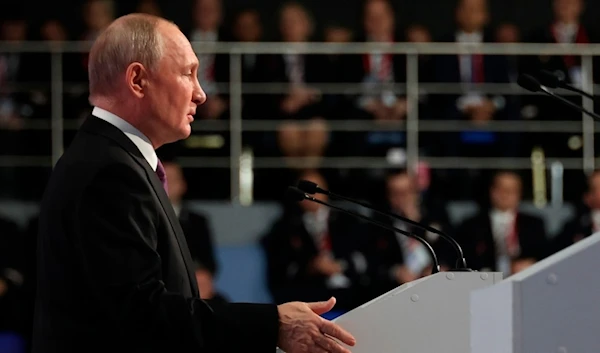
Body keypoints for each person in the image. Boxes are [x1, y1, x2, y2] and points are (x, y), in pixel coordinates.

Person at [32, 13, 355, 353]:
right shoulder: (109, 172)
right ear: (138, 80)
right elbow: (143, 314)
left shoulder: (110, 158)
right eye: (188, 73)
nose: (201, 94)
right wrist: (273, 325)